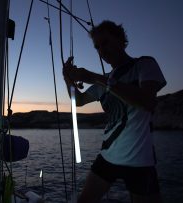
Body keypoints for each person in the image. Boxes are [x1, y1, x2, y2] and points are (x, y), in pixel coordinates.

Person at [63, 20, 166, 203]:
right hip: (107, 157)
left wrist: (95, 78)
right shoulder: (104, 81)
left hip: (140, 162)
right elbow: (77, 101)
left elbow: (147, 101)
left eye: (105, 43)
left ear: (121, 40)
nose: (101, 50)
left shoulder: (144, 65)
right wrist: (67, 78)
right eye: (97, 47)